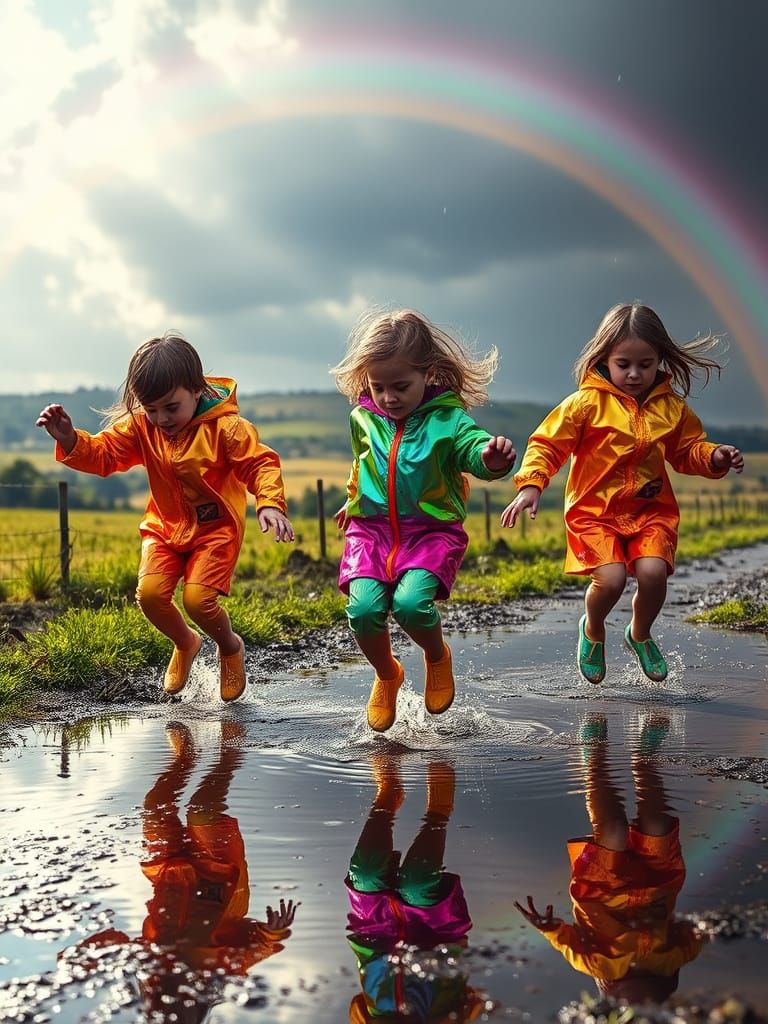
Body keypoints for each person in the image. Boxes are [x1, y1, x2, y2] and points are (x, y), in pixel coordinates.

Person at [36, 331, 294, 701]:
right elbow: (106, 453)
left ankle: (229, 647)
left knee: (197, 600)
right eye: (151, 408)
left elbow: (260, 464)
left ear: (197, 389)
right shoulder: (143, 426)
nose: (160, 418)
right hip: (164, 528)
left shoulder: (226, 428)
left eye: (171, 407)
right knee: (151, 595)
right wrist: (69, 440)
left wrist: (269, 502)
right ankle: (186, 642)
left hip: (215, 531)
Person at [500, 302, 744, 684]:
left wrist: (714, 456)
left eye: (645, 364)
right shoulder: (584, 404)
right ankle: (593, 628)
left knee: (653, 574)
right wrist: (531, 484)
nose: (634, 373)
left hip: (651, 511)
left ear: (660, 359)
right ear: (605, 359)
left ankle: (639, 633)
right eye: (623, 364)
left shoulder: (671, 408)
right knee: (610, 580)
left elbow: (686, 451)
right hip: (593, 513)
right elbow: (547, 445)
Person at [330, 308, 516, 731]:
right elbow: (364, 464)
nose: (388, 398)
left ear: (428, 374)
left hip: (430, 534)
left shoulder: (448, 420)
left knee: (411, 606)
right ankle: (387, 674)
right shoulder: (362, 418)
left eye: (400, 386)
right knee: (363, 611)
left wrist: (492, 459)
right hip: (370, 532)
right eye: (378, 387)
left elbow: (474, 449)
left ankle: (437, 656)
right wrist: (351, 498)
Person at [60, 720, 299, 1023]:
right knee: (201, 810)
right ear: (198, 1008)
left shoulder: (148, 967)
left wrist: (79, 961)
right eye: (183, 1014)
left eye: (163, 1012)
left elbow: (114, 940)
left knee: (155, 805)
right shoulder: (217, 972)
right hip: (219, 876)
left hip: (169, 869)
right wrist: (272, 931)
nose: (174, 1007)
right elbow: (258, 946)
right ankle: (229, 755)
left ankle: (185, 759)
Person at [515, 712, 705, 1007]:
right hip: (658, 881)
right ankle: (644, 760)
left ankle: (595, 759)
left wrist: (548, 926)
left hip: (602, 892)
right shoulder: (672, 960)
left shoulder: (597, 966)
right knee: (655, 822)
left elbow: (567, 944)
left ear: (612, 991)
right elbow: (700, 933)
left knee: (613, 829)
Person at [345, 755, 487, 1022]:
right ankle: (439, 809)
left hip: (374, 929)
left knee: (365, 872)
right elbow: (474, 1000)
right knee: (417, 882)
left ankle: (387, 795)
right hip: (434, 931)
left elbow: (356, 1006)